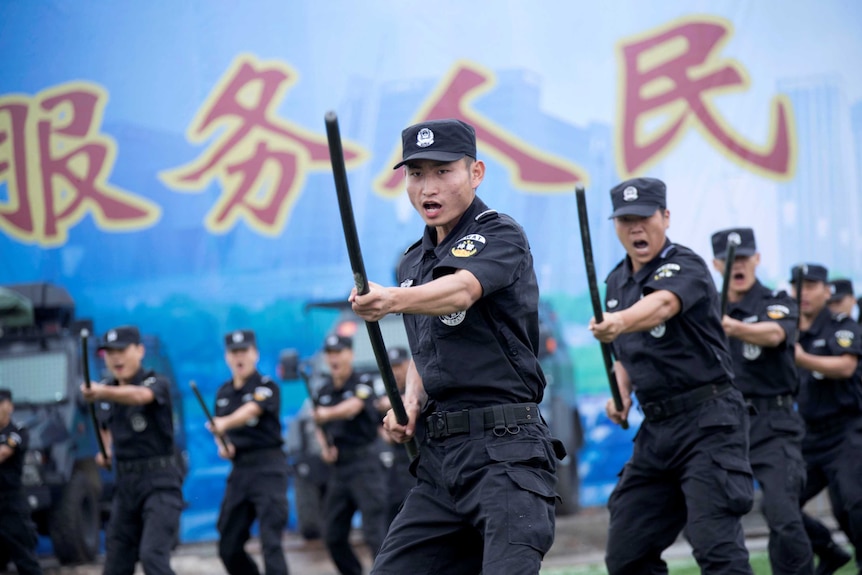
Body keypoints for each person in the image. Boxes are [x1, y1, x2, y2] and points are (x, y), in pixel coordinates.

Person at [351, 118, 563, 575]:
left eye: (443, 171)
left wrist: (390, 298)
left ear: (476, 173)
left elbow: (461, 291)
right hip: (440, 463)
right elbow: (427, 350)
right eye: (416, 173)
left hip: (507, 454)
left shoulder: (500, 234)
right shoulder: (413, 259)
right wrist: (408, 402)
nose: (428, 186)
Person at [589, 177, 754, 573]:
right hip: (656, 430)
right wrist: (621, 391)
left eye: (644, 218)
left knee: (714, 546)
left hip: (709, 421)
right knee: (627, 552)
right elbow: (625, 355)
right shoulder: (615, 282)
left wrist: (619, 321)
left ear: (665, 217)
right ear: (615, 225)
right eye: (625, 220)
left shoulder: (686, 265)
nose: (636, 228)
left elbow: (661, 306)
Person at [710, 228, 813, 574]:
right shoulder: (705, 308)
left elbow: (776, 333)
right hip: (724, 425)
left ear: (756, 259)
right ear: (716, 264)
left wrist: (730, 327)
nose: (736, 266)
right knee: (714, 519)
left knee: (783, 516)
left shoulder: (776, 301)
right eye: (728, 261)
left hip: (774, 424)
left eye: (742, 258)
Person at [80, 325, 183, 575]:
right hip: (125, 486)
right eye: (109, 352)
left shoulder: (155, 382)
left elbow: (139, 397)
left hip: (160, 483)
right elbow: (105, 425)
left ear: (139, 351)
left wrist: (103, 391)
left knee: (152, 556)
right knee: (116, 562)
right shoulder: (105, 391)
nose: (116, 358)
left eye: (122, 351)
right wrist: (106, 451)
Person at [792, 264, 862, 574]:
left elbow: (845, 366)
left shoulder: (841, 325)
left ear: (825, 290)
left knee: (852, 504)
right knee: (780, 504)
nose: (804, 293)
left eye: (811, 286)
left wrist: (799, 357)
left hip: (846, 430)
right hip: (808, 435)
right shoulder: (787, 328)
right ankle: (828, 549)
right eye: (799, 286)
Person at [207, 329, 290, 575]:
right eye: (234, 353)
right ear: (226, 357)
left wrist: (224, 424)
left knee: (271, 543)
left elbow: (251, 410)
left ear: (255, 354)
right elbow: (218, 429)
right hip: (240, 469)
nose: (239, 357)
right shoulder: (223, 393)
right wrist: (223, 445)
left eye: (244, 351)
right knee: (228, 545)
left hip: (269, 468)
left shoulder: (267, 386)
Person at [313, 334, 388, 575]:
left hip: (365, 463)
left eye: (339, 352)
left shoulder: (363, 381)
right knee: (333, 534)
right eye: (330, 353)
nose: (334, 358)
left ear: (350, 354)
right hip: (339, 467)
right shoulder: (323, 389)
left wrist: (326, 414)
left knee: (374, 532)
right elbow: (318, 425)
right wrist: (325, 446)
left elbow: (354, 406)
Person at [0, 388, 43, 575]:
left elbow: (3, 453)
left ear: (9, 406)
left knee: (24, 557)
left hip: (11, 503)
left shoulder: (17, 431)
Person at [375, 346, 417, 526]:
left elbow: (416, 400)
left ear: (408, 365)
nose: (396, 371)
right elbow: (377, 424)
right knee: (392, 506)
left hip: (418, 456)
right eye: (392, 367)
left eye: (399, 365)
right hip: (396, 459)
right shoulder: (385, 393)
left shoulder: (416, 390)